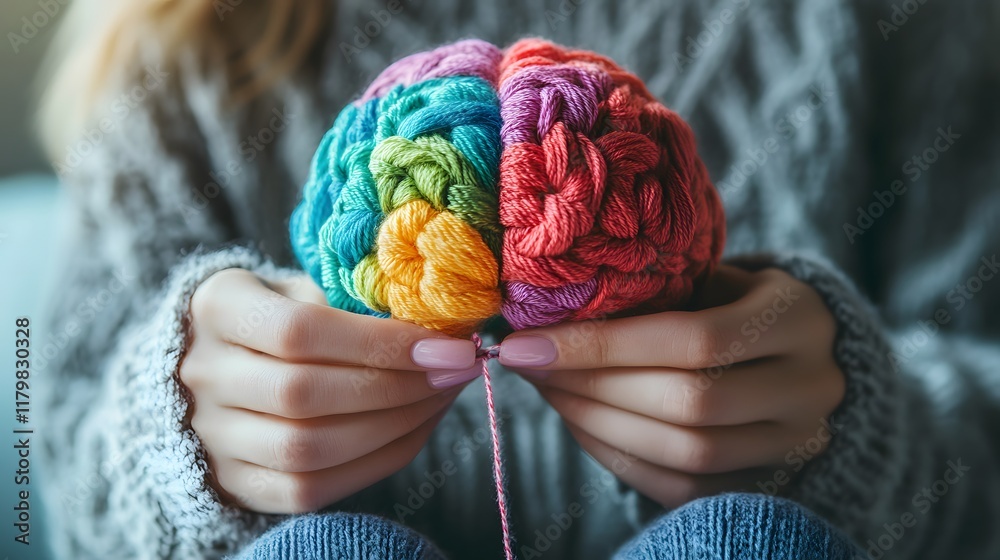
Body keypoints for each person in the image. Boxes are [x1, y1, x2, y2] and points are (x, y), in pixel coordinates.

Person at [35, 0, 1000, 558]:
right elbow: (57, 473)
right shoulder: (183, 42)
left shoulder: (891, 24)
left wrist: (871, 438)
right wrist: (167, 446)